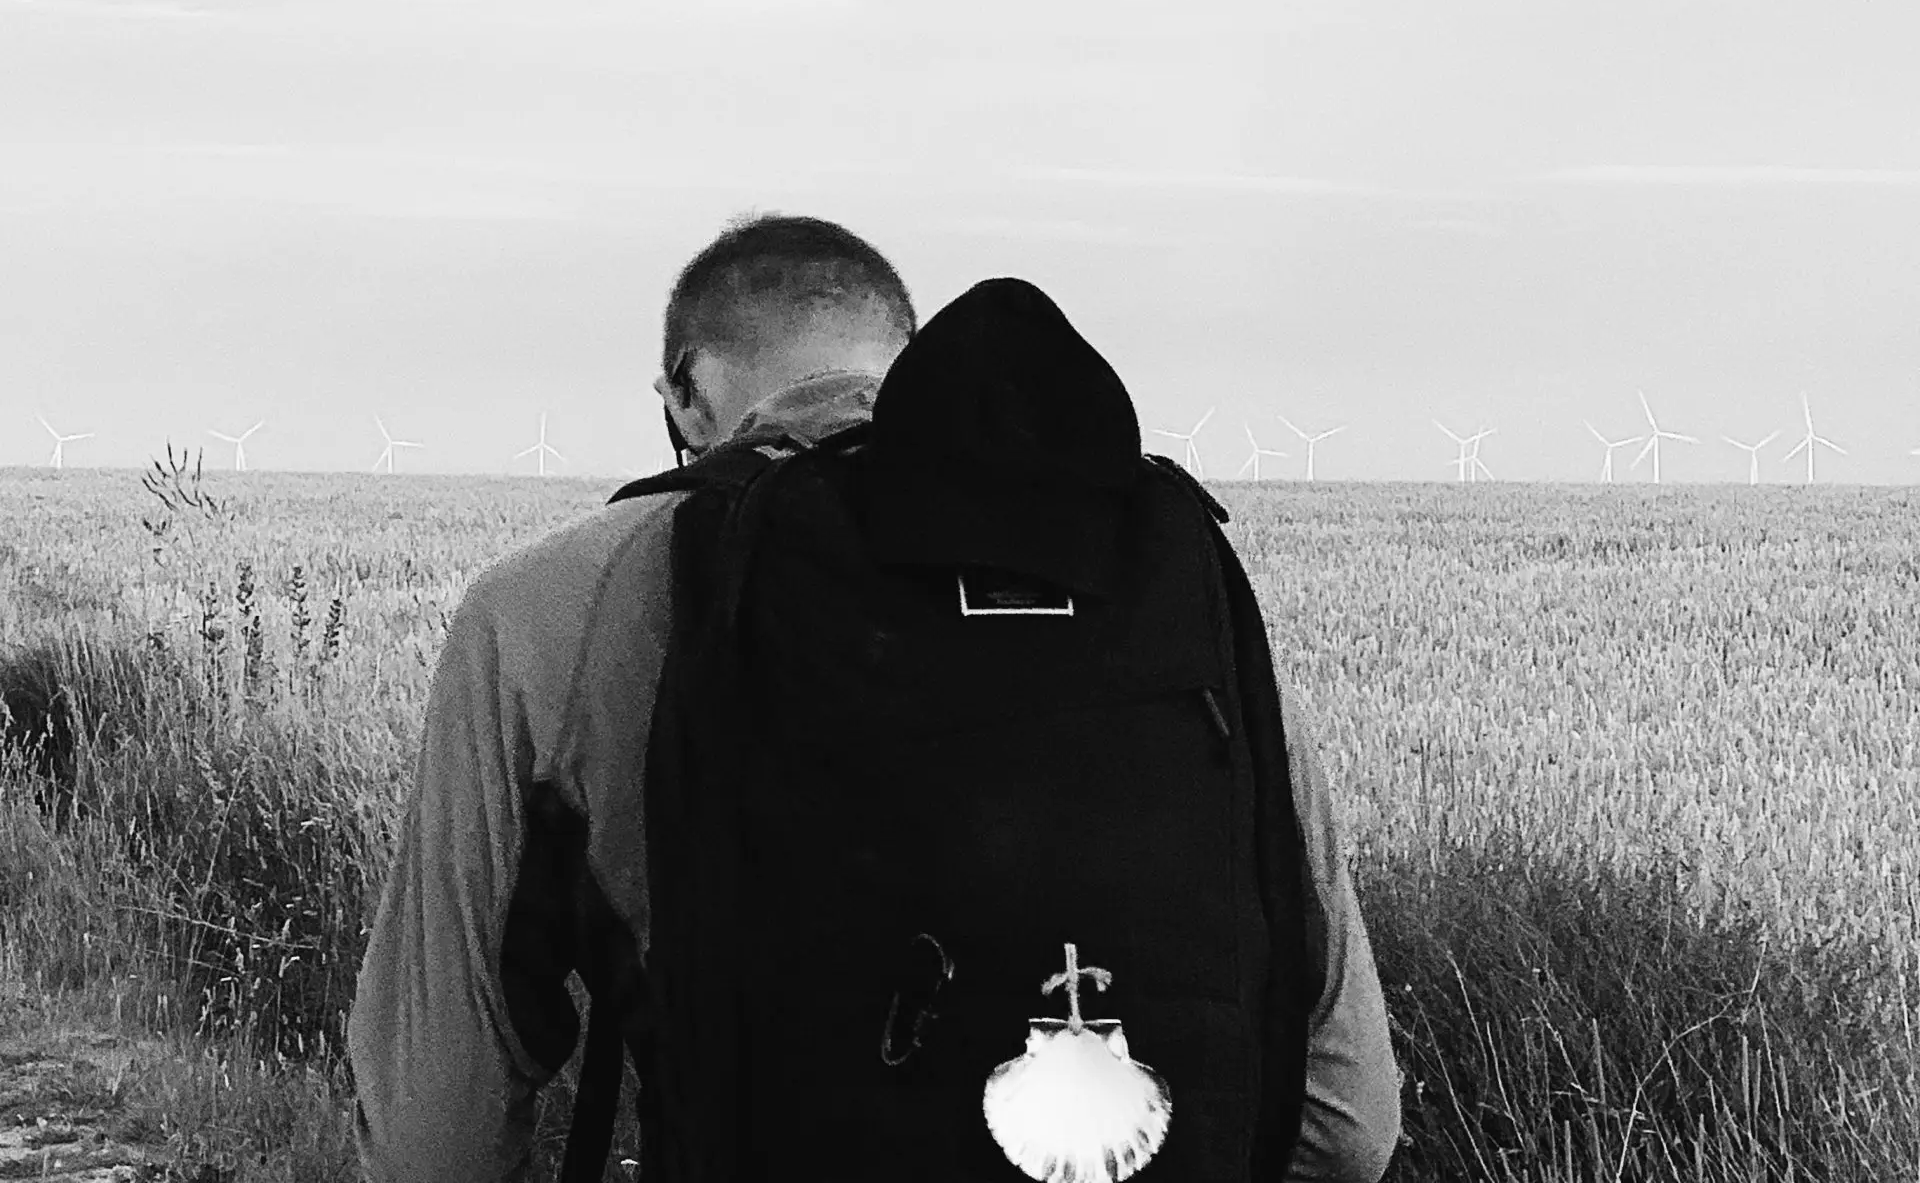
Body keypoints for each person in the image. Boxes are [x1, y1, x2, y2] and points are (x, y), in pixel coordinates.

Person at [348, 211, 1402, 1182]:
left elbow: (432, 1136)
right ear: (907, 367)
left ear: (681, 392)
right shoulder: (1155, 576)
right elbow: (1350, 1124)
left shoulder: (553, 604)